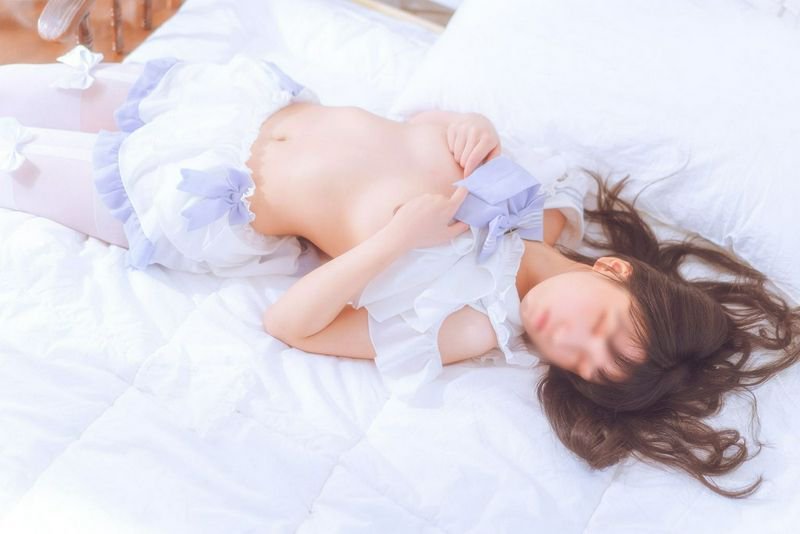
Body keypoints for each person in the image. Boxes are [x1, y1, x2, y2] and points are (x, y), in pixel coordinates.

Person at [2, 48, 798, 500]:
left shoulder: (472, 326)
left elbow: (291, 324)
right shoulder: (547, 203)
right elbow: (414, 132)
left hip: (193, 191)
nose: (569, 342)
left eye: (584, 366)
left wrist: (391, 244)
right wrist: (464, 125)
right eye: (604, 329)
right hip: (229, 105)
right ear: (617, 271)